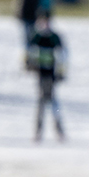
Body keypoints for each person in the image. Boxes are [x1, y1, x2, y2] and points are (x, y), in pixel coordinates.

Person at [27, 12, 68, 141]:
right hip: (40, 72)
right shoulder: (37, 36)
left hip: (51, 73)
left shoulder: (54, 37)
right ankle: (39, 131)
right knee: (42, 101)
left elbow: (62, 55)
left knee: (51, 101)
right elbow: (29, 52)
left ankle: (58, 130)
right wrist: (29, 64)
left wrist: (61, 72)